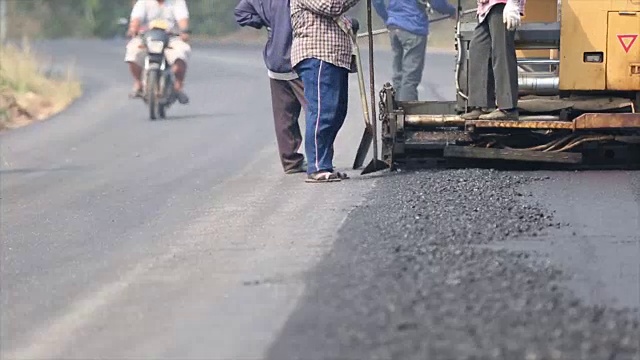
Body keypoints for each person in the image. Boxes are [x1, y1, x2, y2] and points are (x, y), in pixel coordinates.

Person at [290, 0, 361, 183]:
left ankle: (325, 164)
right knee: (323, 111)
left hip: (335, 57)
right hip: (318, 54)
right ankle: (317, 167)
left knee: (337, 112)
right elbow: (331, 6)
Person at [234, 0, 307, 174]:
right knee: (316, 110)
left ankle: (291, 161)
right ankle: (319, 159)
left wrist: (266, 22)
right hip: (300, 59)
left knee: (284, 116)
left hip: (275, 61)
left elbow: (241, 13)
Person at [372, 0, 456, 101]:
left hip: (394, 27)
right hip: (413, 26)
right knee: (410, 77)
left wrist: (388, 18)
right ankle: (407, 111)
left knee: (398, 75)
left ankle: (395, 110)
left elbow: (377, 1)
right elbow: (436, 2)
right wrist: (451, 11)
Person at [461, 0, 525, 120]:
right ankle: (482, 105)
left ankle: (508, 108)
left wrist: (513, 3)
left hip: (502, 5)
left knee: (502, 53)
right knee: (478, 49)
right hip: (486, 8)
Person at [125, 0, 191, 105]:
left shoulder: (176, 2)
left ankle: (178, 86)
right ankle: (138, 83)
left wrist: (184, 31)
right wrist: (133, 29)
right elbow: (136, 19)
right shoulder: (143, 2)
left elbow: (182, 19)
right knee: (132, 52)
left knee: (181, 53)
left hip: (171, 37)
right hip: (146, 37)